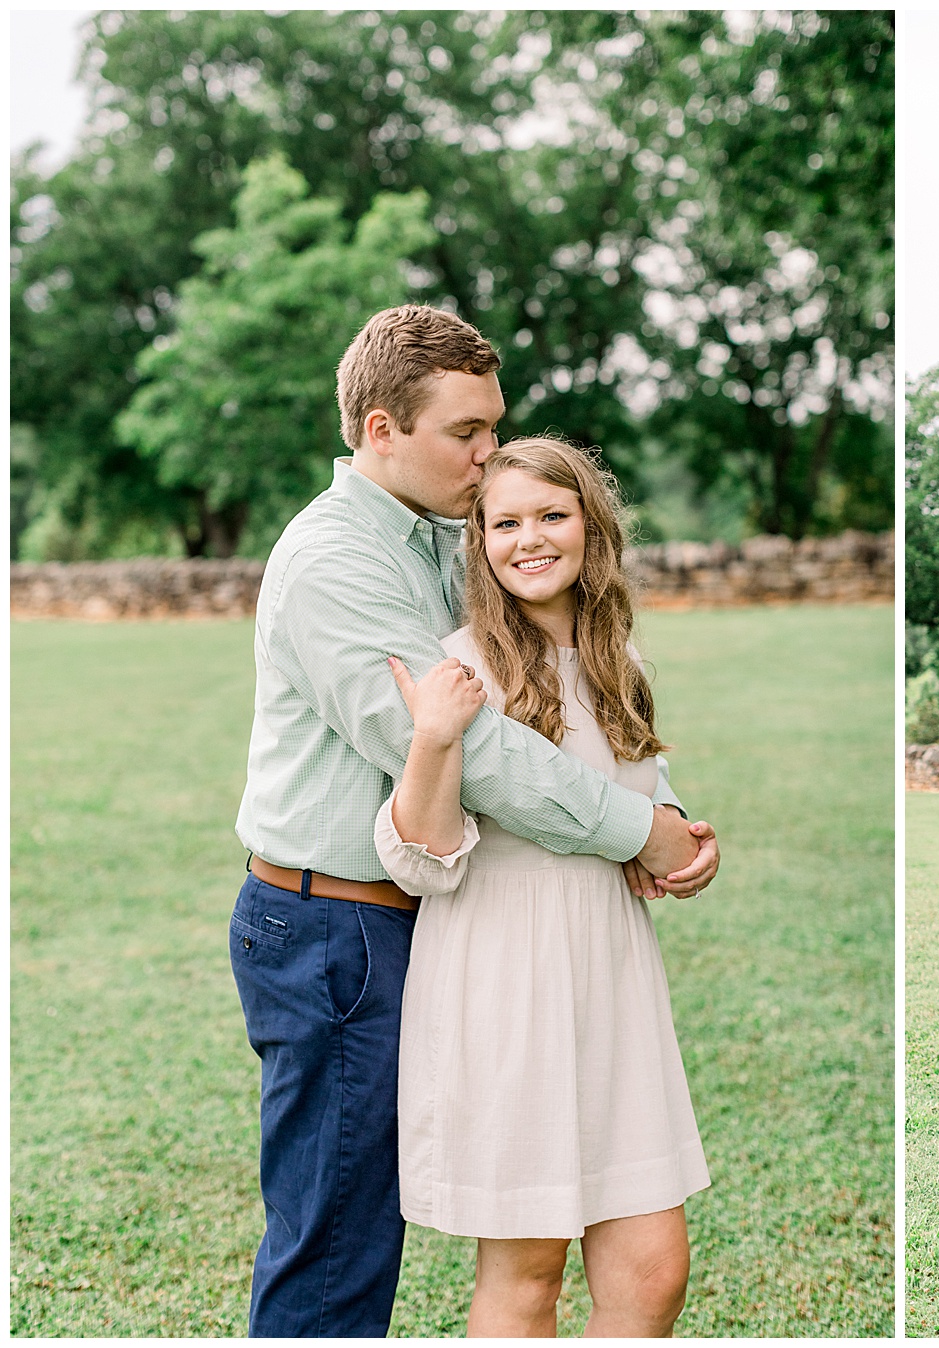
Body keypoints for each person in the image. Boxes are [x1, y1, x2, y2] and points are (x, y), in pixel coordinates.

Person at [228, 305, 719, 1337]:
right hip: (331, 926)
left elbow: (586, 686)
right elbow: (483, 752)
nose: (487, 453)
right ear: (380, 431)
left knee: (370, 1241)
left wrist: (658, 795)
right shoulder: (336, 561)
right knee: (334, 1248)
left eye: (492, 427)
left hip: (429, 920)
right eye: (465, 433)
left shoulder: (446, 537)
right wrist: (643, 834)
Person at [376, 437, 708, 1337]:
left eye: (551, 516)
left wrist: (681, 831)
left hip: (612, 978)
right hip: (504, 982)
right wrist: (435, 738)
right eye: (505, 521)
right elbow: (424, 854)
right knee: (529, 1275)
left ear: (589, 530)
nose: (530, 539)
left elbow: (638, 780)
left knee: (652, 1272)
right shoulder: (461, 665)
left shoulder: (620, 662)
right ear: (477, 539)